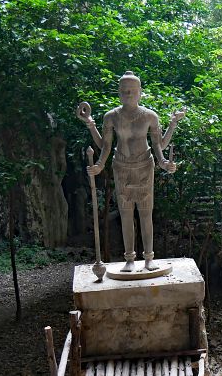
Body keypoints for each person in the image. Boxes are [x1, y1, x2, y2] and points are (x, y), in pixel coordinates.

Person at [77, 71, 185, 272]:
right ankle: (129, 259)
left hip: (144, 166)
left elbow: (159, 145)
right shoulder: (111, 117)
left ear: (140, 92)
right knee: (126, 214)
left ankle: (149, 257)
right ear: (118, 93)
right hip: (121, 167)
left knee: (145, 213)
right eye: (124, 91)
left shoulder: (150, 116)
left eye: (132, 91)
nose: (128, 94)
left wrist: (164, 161)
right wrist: (99, 161)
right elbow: (105, 146)